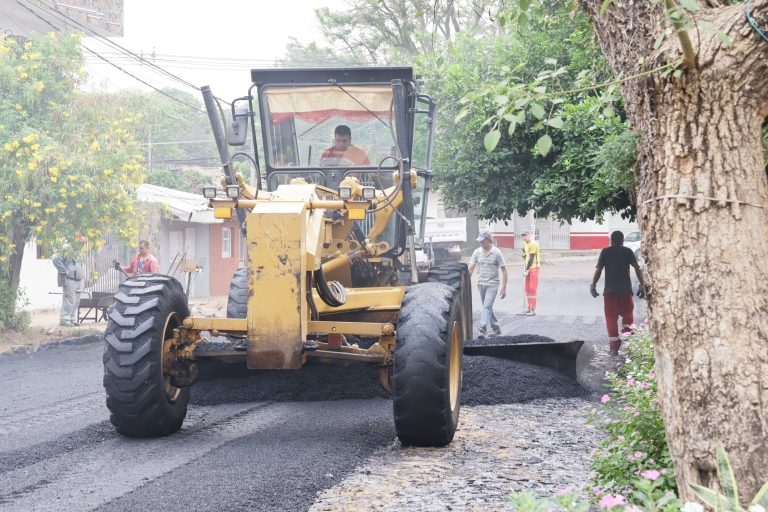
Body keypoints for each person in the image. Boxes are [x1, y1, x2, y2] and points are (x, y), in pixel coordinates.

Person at [590, 230, 646, 355]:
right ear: (622, 240)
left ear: (611, 239)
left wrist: (593, 285)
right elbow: (637, 268)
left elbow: (599, 270)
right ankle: (628, 343)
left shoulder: (605, 252)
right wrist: (642, 285)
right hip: (625, 291)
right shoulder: (628, 252)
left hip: (610, 292)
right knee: (627, 316)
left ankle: (614, 348)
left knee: (611, 319)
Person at [468, 231, 508, 339]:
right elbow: (471, 268)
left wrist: (504, 287)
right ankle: (496, 328)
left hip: (492, 285)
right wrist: (466, 281)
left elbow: (504, 270)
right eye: (480, 240)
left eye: (483, 240)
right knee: (487, 307)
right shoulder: (477, 252)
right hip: (481, 284)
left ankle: (482, 329)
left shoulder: (497, 252)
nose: (481, 242)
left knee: (486, 306)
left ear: (488, 240)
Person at [52, 242, 83, 327]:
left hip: (78, 279)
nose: (82, 244)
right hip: (69, 279)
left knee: (76, 301)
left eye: (83, 242)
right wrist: (64, 271)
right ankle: (64, 319)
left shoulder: (79, 251)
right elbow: (55, 260)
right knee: (69, 300)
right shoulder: (66, 249)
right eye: (81, 242)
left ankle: (71, 319)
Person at [518, 230, 541, 316]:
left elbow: (531, 258)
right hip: (527, 267)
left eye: (525, 235)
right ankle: (528, 307)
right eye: (522, 235)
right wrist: (523, 254)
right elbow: (524, 250)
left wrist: (526, 269)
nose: (524, 237)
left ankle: (532, 309)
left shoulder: (533, 244)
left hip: (534, 268)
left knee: (532, 288)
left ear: (529, 235)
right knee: (527, 288)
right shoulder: (524, 243)